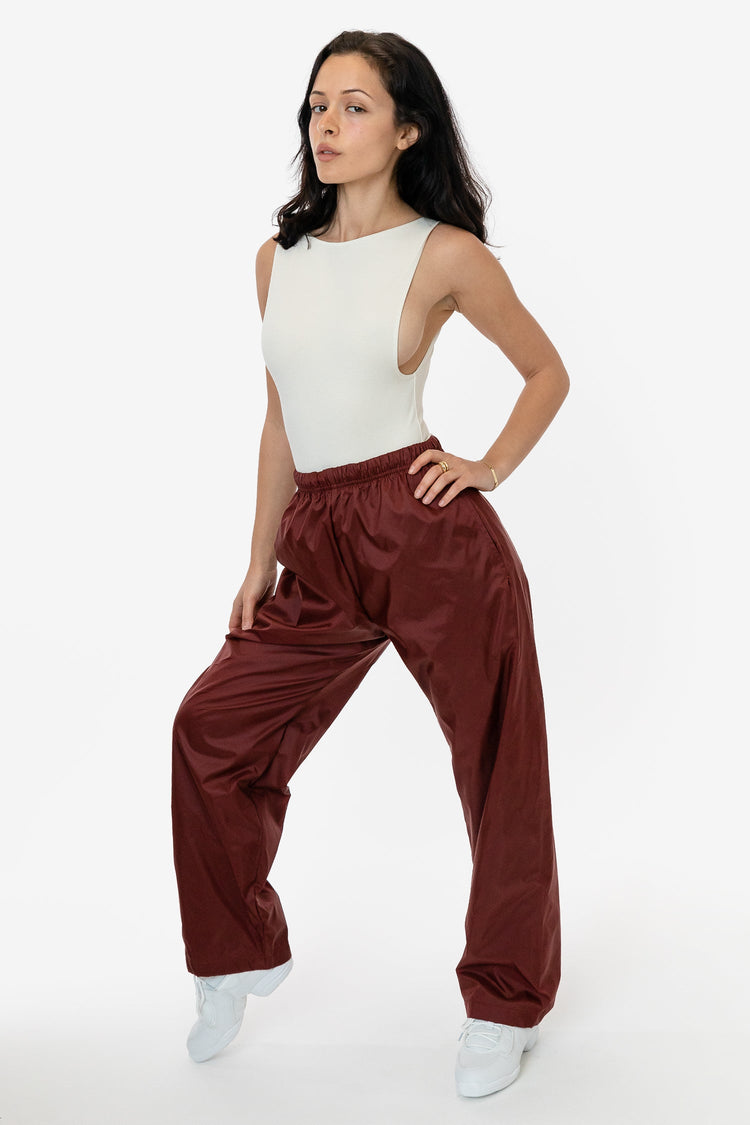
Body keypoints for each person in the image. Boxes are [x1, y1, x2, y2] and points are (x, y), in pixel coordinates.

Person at [171, 28, 570, 1100]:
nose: (329, 125)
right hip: (318, 540)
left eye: (355, 107)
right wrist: (258, 560)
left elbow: (546, 372)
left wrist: (486, 467)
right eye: (317, 106)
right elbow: (280, 420)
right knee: (210, 729)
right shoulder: (278, 260)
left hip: (428, 530)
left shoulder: (445, 253)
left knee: (499, 766)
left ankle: (505, 1004)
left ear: (407, 131)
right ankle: (236, 954)